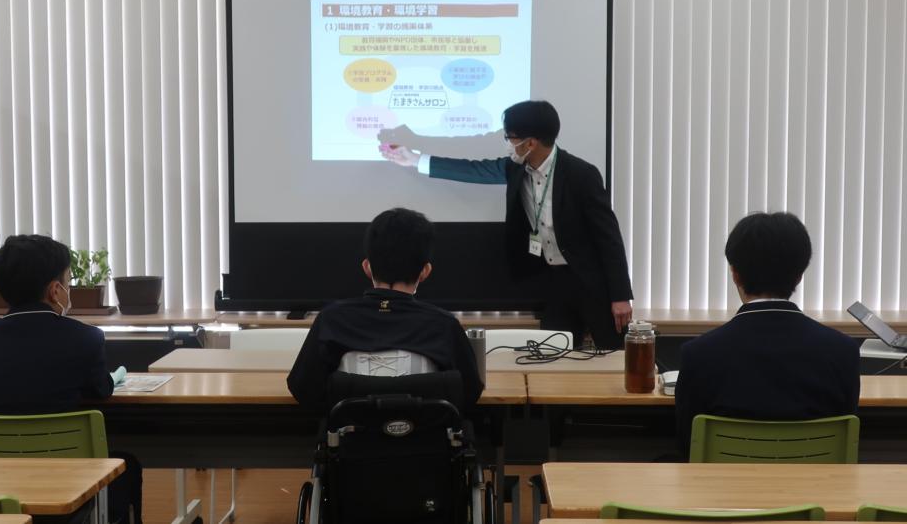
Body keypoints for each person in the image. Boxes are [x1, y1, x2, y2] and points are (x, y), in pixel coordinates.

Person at [378, 100, 633, 349]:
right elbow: (474, 170)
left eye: (510, 138)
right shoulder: (516, 168)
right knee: (553, 352)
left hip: (592, 282)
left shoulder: (581, 174)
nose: (508, 144)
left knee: (614, 353)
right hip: (554, 282)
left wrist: (621, 296)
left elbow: (608, 236)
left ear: (530, 143)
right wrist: (414, 159)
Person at [0, 235, 141, 524]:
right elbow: (101, 389)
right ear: (55, 290)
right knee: (127, 463)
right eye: (68, 282)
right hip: (68, 483)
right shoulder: (85, 339)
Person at [674, 212, 860, 454]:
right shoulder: (843, 351)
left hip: (725, 478)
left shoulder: (698, 354)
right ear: (799, 275)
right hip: (815, 478)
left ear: (735, 273)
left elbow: (688, 445)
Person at [287, 207, 485, 411]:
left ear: (367, 267)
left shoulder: (331, 320)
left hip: (351, 431)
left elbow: (303, 388)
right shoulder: (444, 325)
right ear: (425, 271)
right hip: (426, 431)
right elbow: (469, 393)